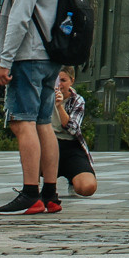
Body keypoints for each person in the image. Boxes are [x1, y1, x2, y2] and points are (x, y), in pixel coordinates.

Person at [0, 0, 78, 216]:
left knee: (22, 122)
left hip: (27, 56)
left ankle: (30, 194)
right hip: (51, 57)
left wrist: (5, 60)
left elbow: (20, 17)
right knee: (43, 123)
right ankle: (50, 193)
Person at [52, 67, 98, 198]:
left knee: (87, 187)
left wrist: (59, 106)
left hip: (70, 147)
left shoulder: (77, 100)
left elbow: (72, 129)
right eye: (56, 81)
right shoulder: (44, 96)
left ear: (71, 81)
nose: (59, 85)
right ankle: (37, 186)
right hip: (49, 144)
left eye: (63, 80)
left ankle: (73, 179)